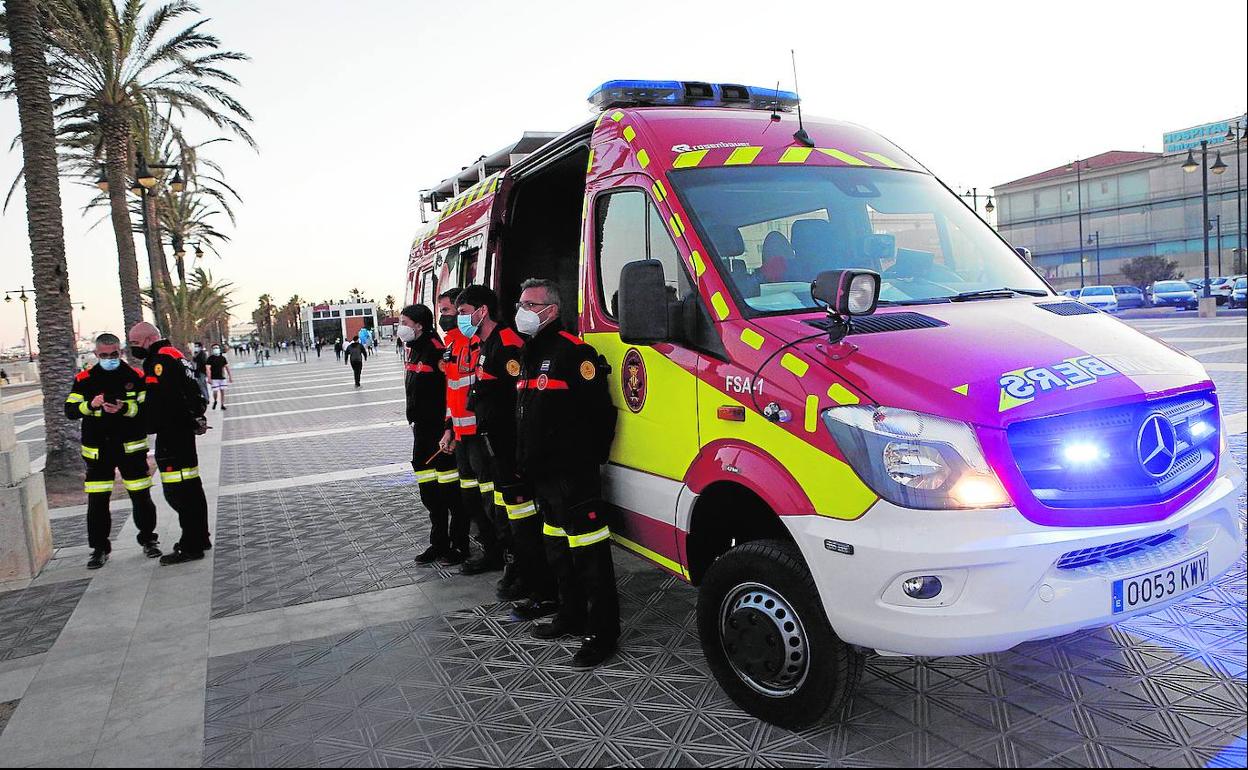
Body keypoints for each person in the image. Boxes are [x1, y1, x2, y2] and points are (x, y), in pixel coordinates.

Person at [514, 278, 619, 668]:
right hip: (542, 477)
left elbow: (601, 414)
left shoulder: (575, 353)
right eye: (521, 302)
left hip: (573, 476)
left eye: (530, 303)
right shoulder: (530, 352)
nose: (522, 310)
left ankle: (601, 634)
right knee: (558, 551)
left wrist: (584, 461)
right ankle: (571, 614)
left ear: (551, 310)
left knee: (591, 557)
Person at [457, 285, 553, 607]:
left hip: (510, 446)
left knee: (523, 516)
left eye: (464, 312)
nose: (461, 319)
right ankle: (516, 567)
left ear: (482, 310)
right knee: (505, 513)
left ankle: (533, 577)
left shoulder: (507, 342)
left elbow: (517, 396)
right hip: (493, 444)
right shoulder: (483, 344)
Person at [65, 333, 163, 569]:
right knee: (97, 501)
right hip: (98, 452)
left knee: (141, 497)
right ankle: (99, 549)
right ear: (96, 354)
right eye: (105, 355)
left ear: (121, 352)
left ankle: (149, 539)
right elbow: (70, 410)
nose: (110, 358)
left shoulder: (135, 376)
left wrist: (123, 408)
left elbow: (146, 408)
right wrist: (91, 405)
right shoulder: (85, 379)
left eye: (114, 354)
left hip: (130, 449)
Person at [127, 321, 211, 565]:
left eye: (135, 343)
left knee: (178, 493)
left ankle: (191, 545)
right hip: (182, 433)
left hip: (172, 436)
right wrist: (197, 418)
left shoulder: (159, 361)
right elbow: (193, 392)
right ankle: (200, 537)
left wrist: (148, 423)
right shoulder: (176, 355)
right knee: (193, 489)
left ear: (149, 339)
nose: (133, 348)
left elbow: (164, 401)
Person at [399, 304, 471, 565]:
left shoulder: (437, 352)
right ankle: (438, 543)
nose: (402, 326)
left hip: (439, 433)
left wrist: (448, 429)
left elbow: (450, 393)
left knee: (451, 492)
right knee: (430, 493)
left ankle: (459, 544)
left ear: (419, 325)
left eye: (405, 322)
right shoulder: (414, 351)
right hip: (422, 431)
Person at [438, 287, 502, 576]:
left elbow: (483, 390)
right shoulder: (452, 345)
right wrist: (450, 428)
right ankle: (490, 548)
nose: (446, 318)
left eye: (451, 312)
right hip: (462, 437)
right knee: (471, 499)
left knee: (490, 499)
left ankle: (498, 552)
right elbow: (452, 393)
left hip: (479, 434)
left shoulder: (477, 344)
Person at [206, 344, 233, 410]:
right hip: (214, 378)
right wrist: (209, 378)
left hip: (222, 377)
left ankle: (222, 404)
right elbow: (208, 369)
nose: (216, 349)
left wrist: (230, 376)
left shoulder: (222, 358)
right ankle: (215, 400)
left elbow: (227, 367)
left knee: (222, 391)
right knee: (215, 392)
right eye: (214, 348)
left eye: (217, 348)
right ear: (212, 350)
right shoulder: (210, 358)